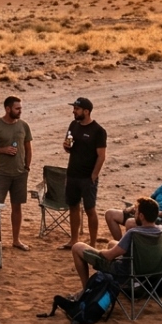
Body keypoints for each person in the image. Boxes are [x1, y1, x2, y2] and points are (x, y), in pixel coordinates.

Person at [71, 197, 162, 289]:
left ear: (141, 216)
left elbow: (109, 256)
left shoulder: (134, 233)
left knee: (77, 247)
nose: (134, 215)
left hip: (126, 273)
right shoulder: (161, 230)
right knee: (112, 243)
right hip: (151, 271)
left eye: (136, 212)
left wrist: (100, 252)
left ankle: (86, 289)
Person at [0, 96, 33, 251]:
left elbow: (28, 148)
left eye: (21, 108)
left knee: (17, 207)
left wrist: (27, 167)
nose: (20, 111)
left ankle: (16, 240)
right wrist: (3, 150)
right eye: (17, 108)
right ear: (8, 109)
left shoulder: (24, 125)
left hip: (19, 173)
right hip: (0, 174)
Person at [61, 97, 107, 249]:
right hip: (73, 173)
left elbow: (101, 156)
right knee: (73, 206)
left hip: (87, 177)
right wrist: (66, 147)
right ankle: (74, 240)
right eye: (74, 108)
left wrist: (93, 176)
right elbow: (69, 145)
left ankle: (92, 243)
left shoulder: (98, 131)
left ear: (86, 111)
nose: (74, 111)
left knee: (90, 209)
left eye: (77, 109)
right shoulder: (73, 125)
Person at [105, 160, 162, 240]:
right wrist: (134, 207)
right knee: (110, 214)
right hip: (148, 215)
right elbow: (149, 200)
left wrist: (151, 213)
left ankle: (127, 250)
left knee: (130, 223)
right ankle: (121, 246)